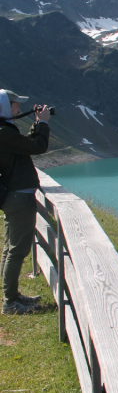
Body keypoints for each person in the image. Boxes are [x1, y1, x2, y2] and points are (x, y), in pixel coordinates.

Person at [0, 90, 51, 315]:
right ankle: (10, 303)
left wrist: (36, 124)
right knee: (17, 250)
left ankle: (11, 296)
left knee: (9, 249)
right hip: (18, 197)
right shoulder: (3, 133)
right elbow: (38, 147)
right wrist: (44, 124)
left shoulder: (5, 132)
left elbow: (25, 145)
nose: (19, 109)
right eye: (14, 105)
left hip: (13, 196)